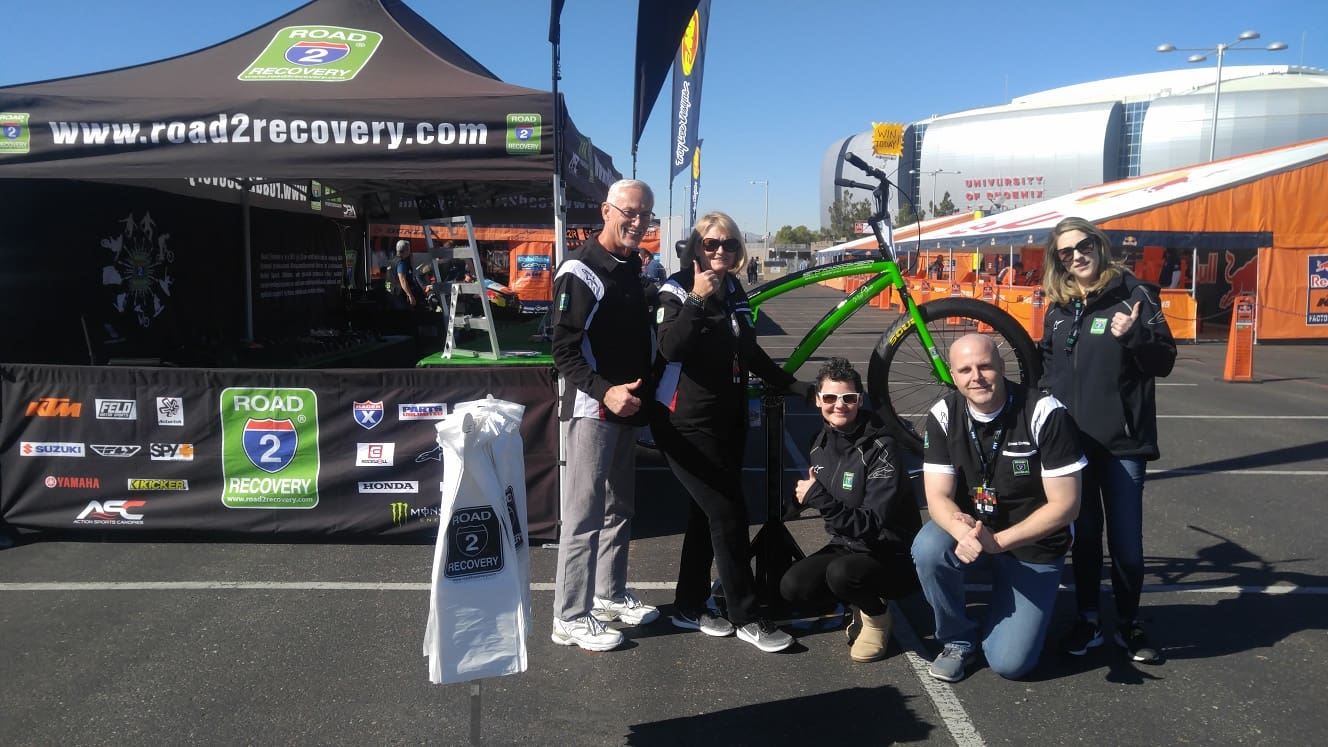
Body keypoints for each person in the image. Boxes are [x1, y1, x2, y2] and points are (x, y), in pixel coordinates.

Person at [652, 211, 814, 653]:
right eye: (711, 243)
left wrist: (795, 385)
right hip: (684, 423)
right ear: (694, 247)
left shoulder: (735, 289)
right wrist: (697, 301)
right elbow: (670, 348)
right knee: (728, 515)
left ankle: (687, 604)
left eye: (729, 244)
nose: (720, 251)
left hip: (729, 419)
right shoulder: (676, 287)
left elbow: (750, 351)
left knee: (705, 515)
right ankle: (746, 615)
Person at [1039, 217, 1176, 664]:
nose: (1077, 255)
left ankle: (1130, 623)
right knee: (1084, 541)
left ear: (1099, 245)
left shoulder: (1135, 295)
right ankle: (1089, 619)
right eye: (1066, 252)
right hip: (1072, 450)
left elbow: (1164, 360)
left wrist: (1134, 334)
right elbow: (1046, 367)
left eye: (1084, 245)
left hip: (1122, 447)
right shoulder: (1057, 309)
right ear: (1057, 260)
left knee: (1127, 547)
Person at [911, 333, 1086, 682]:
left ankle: (1016, 604)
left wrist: (999, 543)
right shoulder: (943, 414)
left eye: (985, 366)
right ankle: (957, 639)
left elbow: (1067, 506)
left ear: (1002, 367)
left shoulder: (1044, 413)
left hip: (1032, 542)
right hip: (975, 530)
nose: (975, 376)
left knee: (1010, 664)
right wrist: (963, 533)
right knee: (928, 548)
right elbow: (937, 497)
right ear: (953, 374)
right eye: (964, 369)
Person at [549, 178, 660, 652]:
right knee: (583, 514)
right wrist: (605, 392)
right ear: (606, 211)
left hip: (626, 409)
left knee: (619, 508)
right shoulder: (580, 268)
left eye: (645, 215)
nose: (637, 222)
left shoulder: (632, 266)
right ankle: (569, 616)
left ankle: (609, 594)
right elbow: (562, 351)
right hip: (593, 409)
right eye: (629, 212)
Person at [778, 357, 922, 663]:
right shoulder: (819, 442)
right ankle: (859, 600)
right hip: (848, 544)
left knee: (841, 574)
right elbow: (811, 492)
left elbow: (871, 524)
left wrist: (818, 497)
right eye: (830, 398)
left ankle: (877, 616)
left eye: (849, 398)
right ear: (818, 400)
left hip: (890, 552)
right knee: (794, 587)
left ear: (859, 400)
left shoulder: (882, 447)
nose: (839, 405)